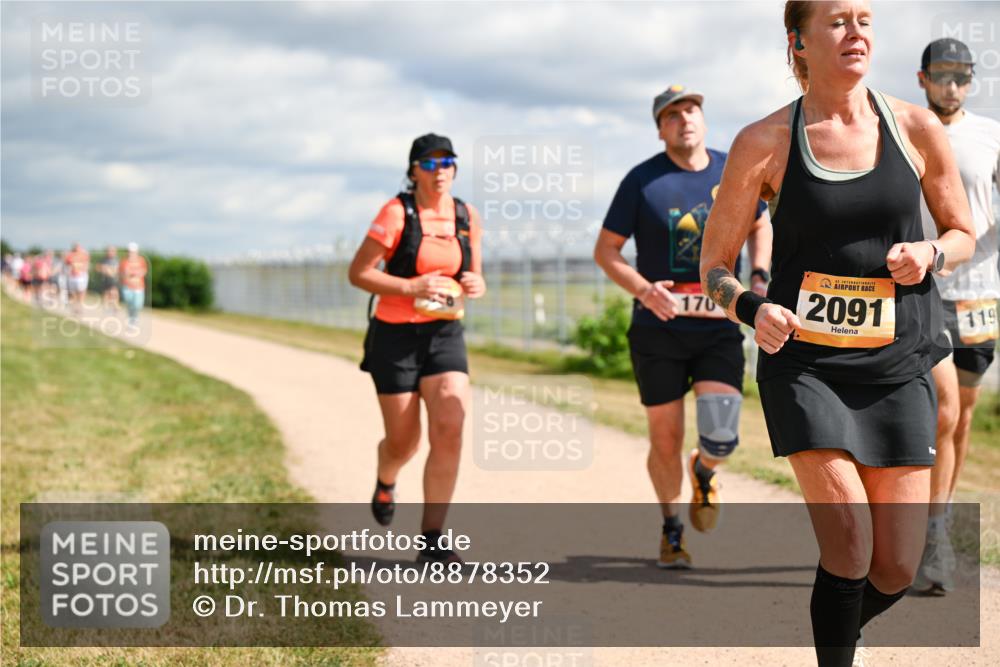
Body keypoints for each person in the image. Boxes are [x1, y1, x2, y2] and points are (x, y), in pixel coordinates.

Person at [699, 1, 976, 665]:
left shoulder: (914, 128)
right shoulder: (763, 141)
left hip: (898, 362)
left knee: (895, 568)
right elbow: (712, 264)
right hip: (806, 365)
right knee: (849, 541)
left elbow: (963, 232)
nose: (856, 33)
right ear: (799, 39)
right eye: (838, 20)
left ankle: (841, 624)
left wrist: (932, 254)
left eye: (865, 19)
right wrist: (749, 307)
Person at [595, 86, 771, 568]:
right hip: (659, 329)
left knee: (720, 437)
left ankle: (705, 469)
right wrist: (644, 289)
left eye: (690, 109)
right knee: (665, 439)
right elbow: (605, 251)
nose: (683, 119)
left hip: (719, 326)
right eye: (671, 115)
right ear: (660, 128)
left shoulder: (729, 169)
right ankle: (672, 529)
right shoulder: (641, 181)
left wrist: (758, 276)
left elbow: (759, 221)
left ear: (703, 118)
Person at [347, 133, 486, 565]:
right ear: (413, 171)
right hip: (396, 335)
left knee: (451, 423)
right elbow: (359, 272)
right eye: (429, 163)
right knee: (404, 441)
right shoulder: (395, 213)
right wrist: (409, 286)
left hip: (445, 333)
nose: (439, 170)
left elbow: (474, 275)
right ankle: (386, 478)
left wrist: (476, 285)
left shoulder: (466, 215)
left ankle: (432, 538)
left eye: (447, 162)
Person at [914, 38, 1000, 595]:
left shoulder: (991, 134)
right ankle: (918, 533)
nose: (952, 85)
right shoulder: (904, 130)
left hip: (979, 296)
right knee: (934, 415)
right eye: (942, 75)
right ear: (922, 78)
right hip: (919, 292)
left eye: (961, 76)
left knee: (959, 418)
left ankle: (935, 527)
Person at [119, 242, 148, 327]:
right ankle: (131, 318)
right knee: (129, 304)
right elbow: (121, 273)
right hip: (127, 287)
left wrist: (135, 273)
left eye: (132, 251)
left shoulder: (141, 260)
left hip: (139, 287)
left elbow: (144, 271)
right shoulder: (124, 261)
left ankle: (134, 318)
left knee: (138, 305)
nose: (130, 253)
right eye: (129, 251)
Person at [64, 242, 90, 313]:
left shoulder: (84, 254)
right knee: (73, 293)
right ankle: (75, 307)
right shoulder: (70, 255)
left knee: (81, 291)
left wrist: (83, 270)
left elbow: (86, 264)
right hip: (73, 276)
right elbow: (67, 264)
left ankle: (79, 306)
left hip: (81, 275)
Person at [100, 246, 121, 313]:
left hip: (115, 279)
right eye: (109, 251)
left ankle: (115, 306)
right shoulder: (104, 260)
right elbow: (102, 268)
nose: (110, 252)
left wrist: (112, 271)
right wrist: (107, 271)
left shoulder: (117, 259)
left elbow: (118, 269)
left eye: (112, 251)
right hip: (106, 279)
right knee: (106, 292)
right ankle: (106, 306)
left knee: (114, 291)